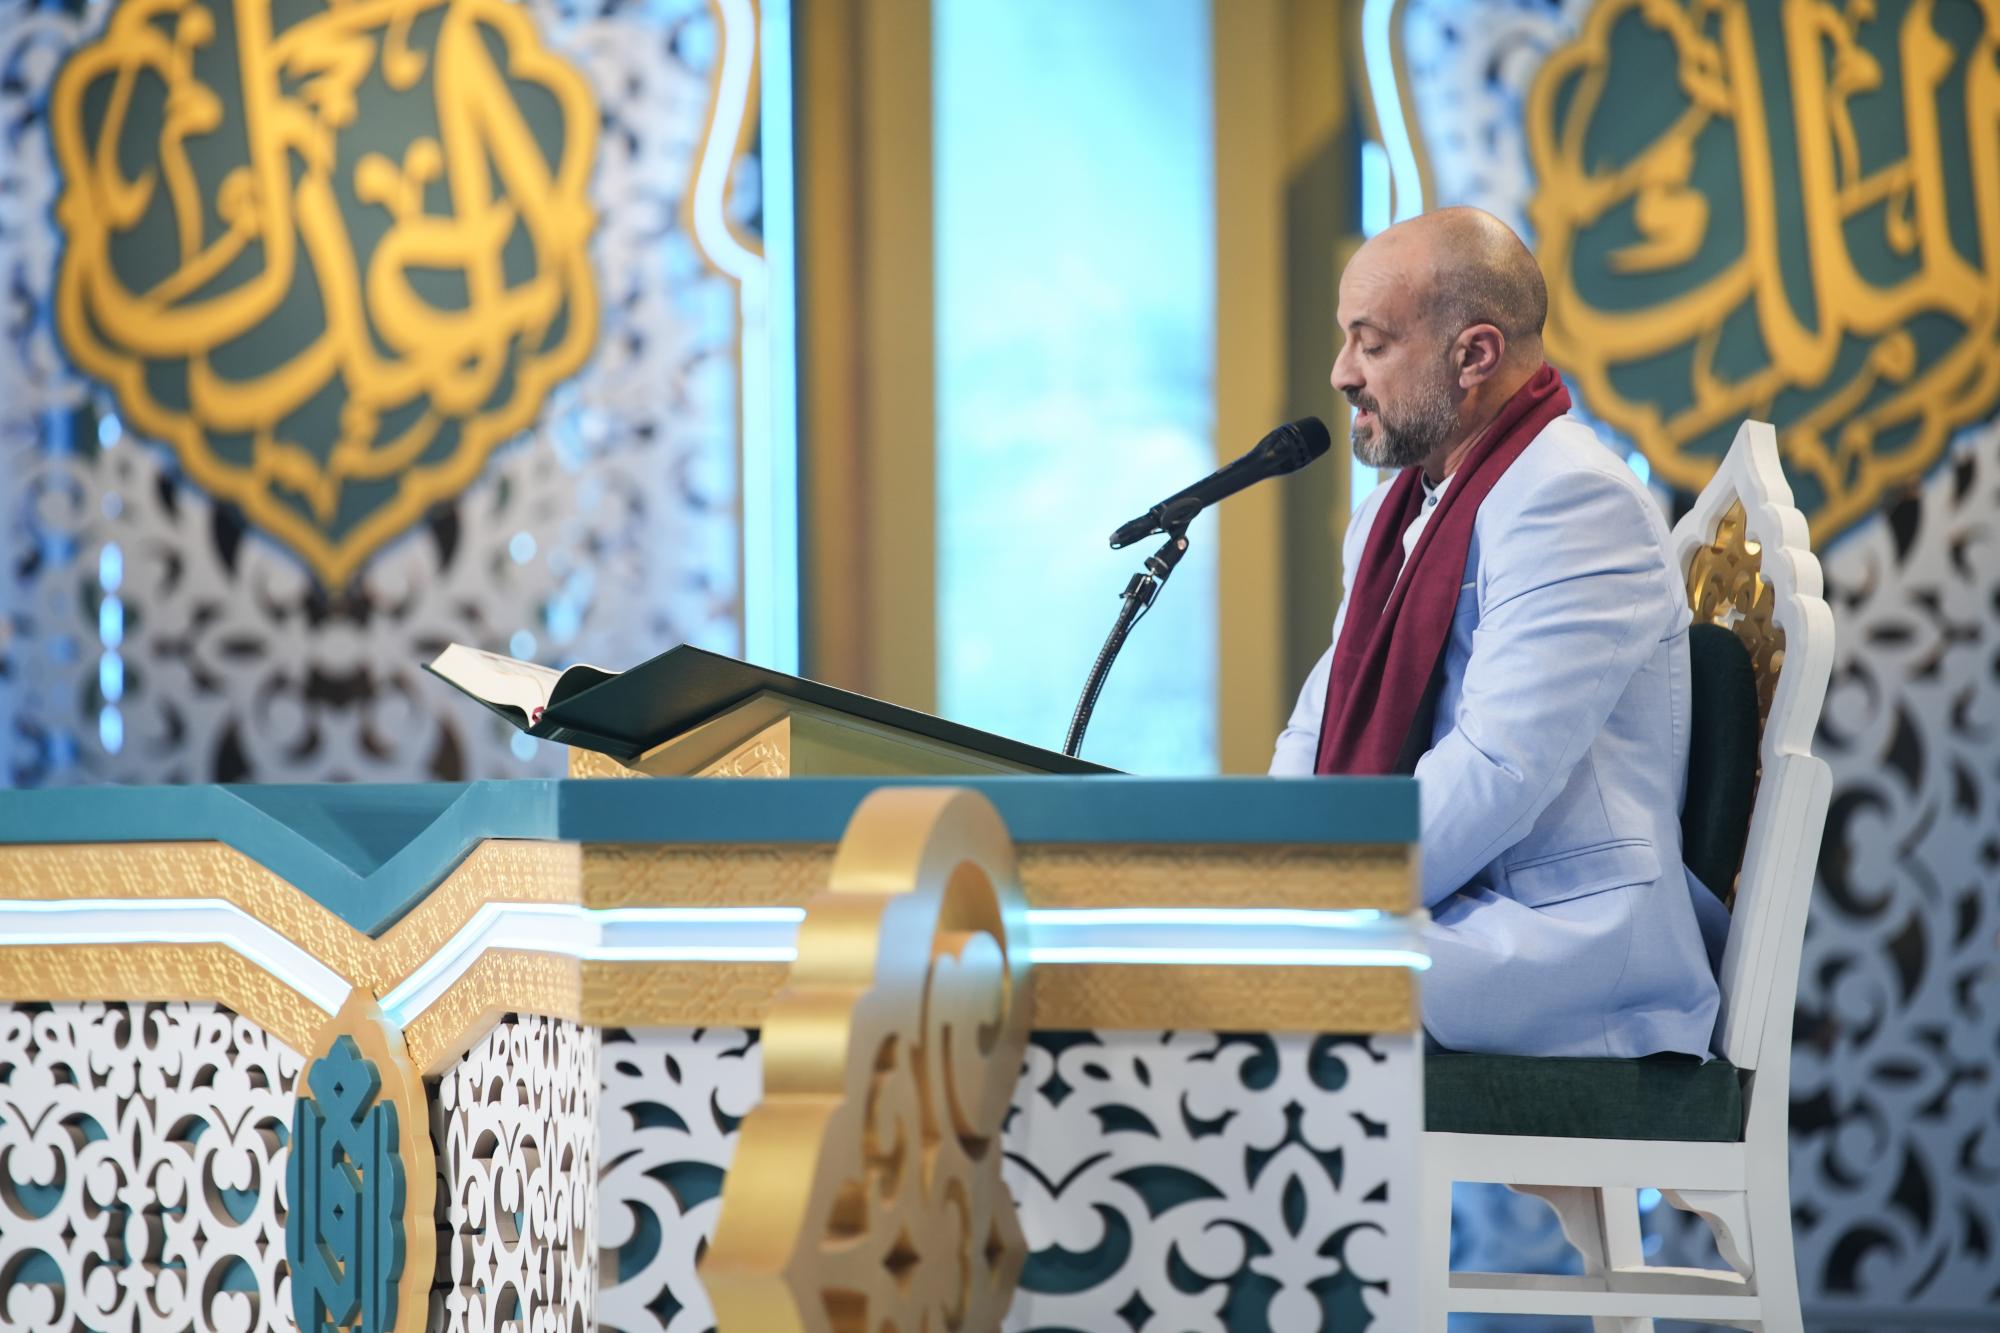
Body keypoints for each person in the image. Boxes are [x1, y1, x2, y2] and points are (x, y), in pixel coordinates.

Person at [1269, 207, 1725, 1059]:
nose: (1341, 373)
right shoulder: (1391, 514)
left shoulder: (1573, 498)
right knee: (1209, 943)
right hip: (1450, 903)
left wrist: (1323, 890)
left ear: (1474, 355)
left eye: (1372, 344)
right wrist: (1269, 865)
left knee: (1230, 976)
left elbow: (1499, 767)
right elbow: (1316, 725)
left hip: (1562, 940)